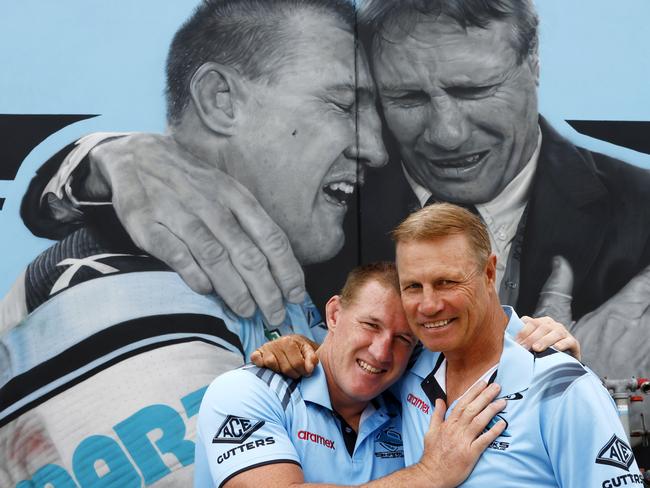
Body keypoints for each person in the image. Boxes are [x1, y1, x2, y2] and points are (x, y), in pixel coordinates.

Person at [0, 0, 386, 486]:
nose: (375, 146)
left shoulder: (253, 278)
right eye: (344, 105)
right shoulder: (120, 294)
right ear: (220, 99)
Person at [256, 203, 644, 487]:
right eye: (413, 287)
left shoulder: (562, 388)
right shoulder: (411, 368)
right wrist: (297, 346)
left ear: (489, 272)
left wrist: (565, 372)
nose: (428, 305)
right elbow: (352, 358)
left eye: (446, 282)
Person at [195, 262, 507, 487]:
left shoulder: (406, 406)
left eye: (402, 339)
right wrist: (430, 473)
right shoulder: (244, 390)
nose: (381, 352)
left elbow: (482, 340)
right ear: (333, 314)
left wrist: (532, 332)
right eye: (371, 325)